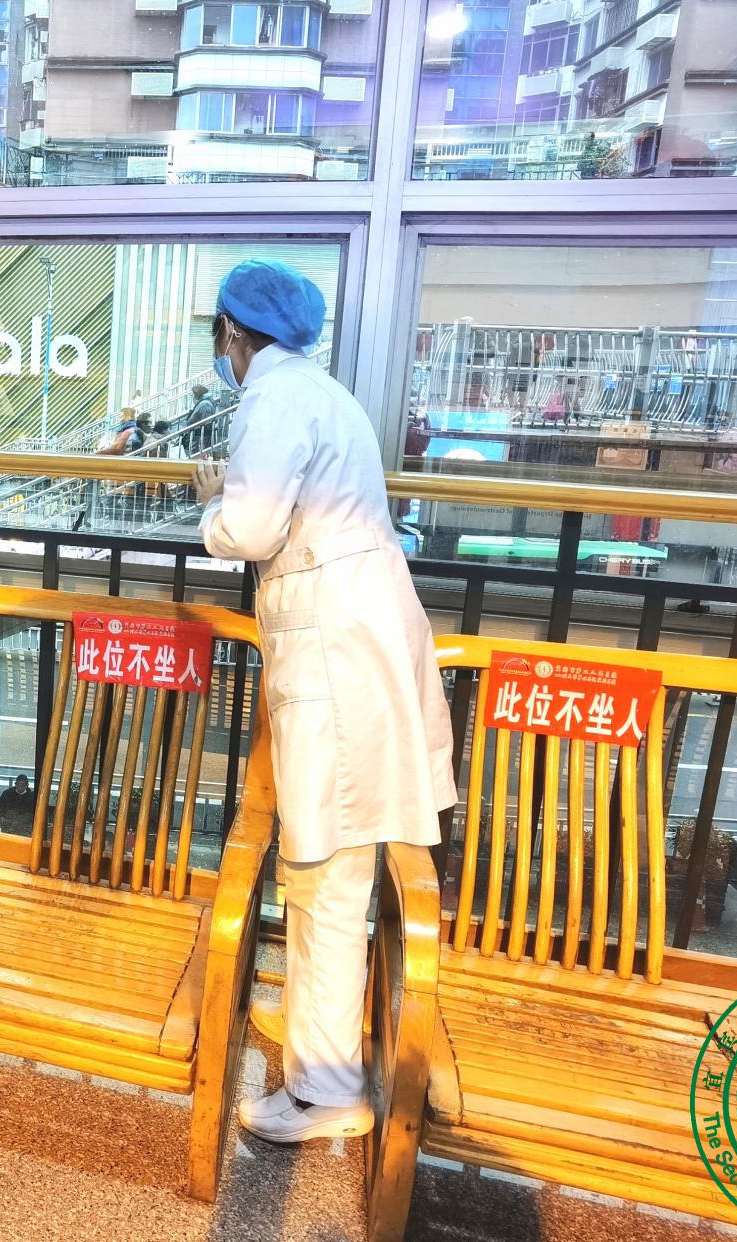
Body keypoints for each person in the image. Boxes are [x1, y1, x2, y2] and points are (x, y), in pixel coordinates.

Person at [191, 259, 455, 1144]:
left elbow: (251, 528)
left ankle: (326, 1088)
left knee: (324, 864)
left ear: (233, 330)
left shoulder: (271, 398)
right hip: (362, 636)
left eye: (220, 334)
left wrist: (211, 513)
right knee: (337, 857)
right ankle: (324, 1042)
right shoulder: (326, 393)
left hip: (336, 650)